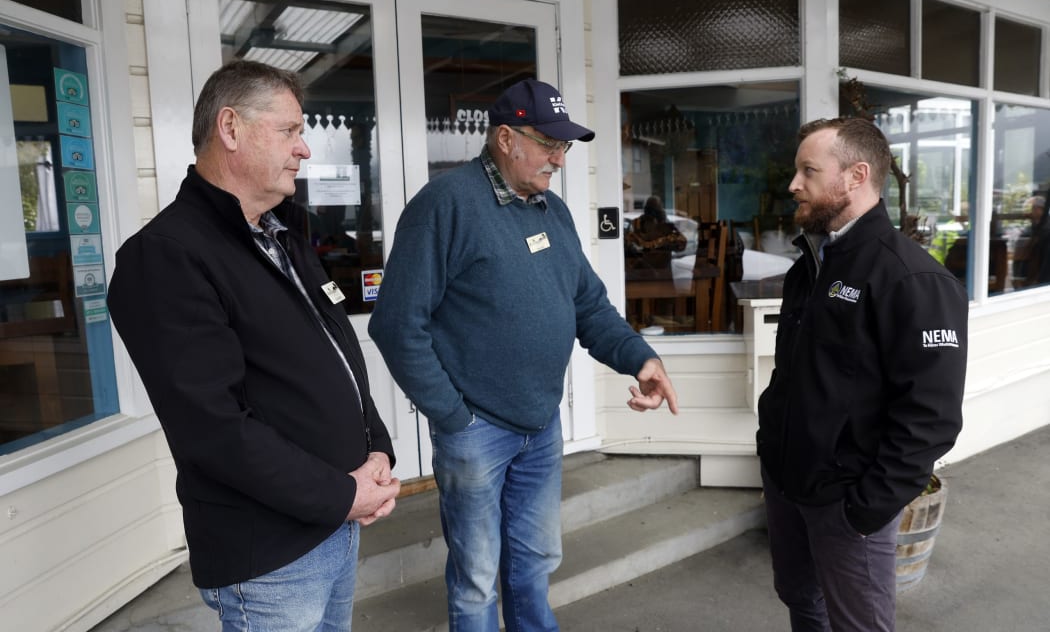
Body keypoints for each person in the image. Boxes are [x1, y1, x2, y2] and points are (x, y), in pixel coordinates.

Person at [367, 78, 679, 632]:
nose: (559, 158)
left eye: (564, 146)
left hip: (540, 423)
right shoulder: (445, 205)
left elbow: (588, 304)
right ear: (506, 139)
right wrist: (453, 415)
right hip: (476, 430)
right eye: (548, 144)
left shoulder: (551, 211)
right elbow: (396, 325)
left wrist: (639, 357)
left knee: (534, 562)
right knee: (476, 578)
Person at [107, 60, 399, 632]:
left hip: (335, 520)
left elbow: (337, 355)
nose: (304, 149)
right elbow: (213, 428)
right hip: (270, 553)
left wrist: (377, 449)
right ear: (231, 128)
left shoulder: (281, 234)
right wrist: (342, 495)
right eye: (289, 130)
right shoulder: (166, 255)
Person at [756, 117, 968, 631]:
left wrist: (865, 509)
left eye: (809, 171)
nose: (794, 184)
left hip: (847, 503)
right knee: (801, 600)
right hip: (787, 482)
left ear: (856, 176)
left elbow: (931, 418)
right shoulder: (809, 266)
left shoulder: (911, 278)